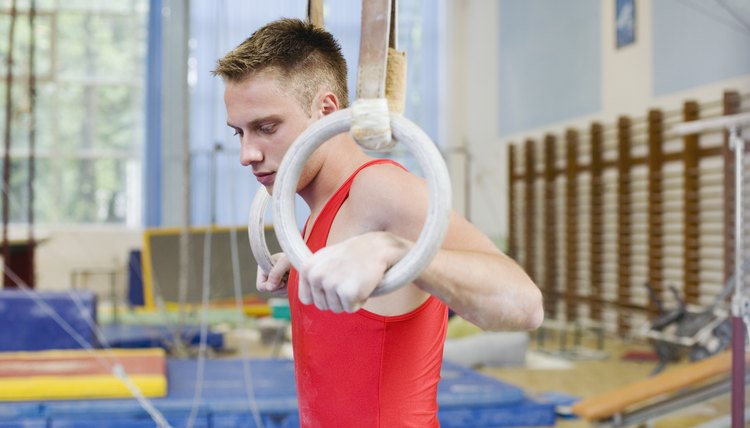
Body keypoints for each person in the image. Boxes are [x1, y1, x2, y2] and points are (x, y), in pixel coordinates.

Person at [214, 18, 543, 427]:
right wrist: (303, 267)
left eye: (266, 128)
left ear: (326, 112)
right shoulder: (317, 216)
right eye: (238, 134)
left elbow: (525, 305)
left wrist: (395, 251)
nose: (247, 154)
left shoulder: (380, 188)